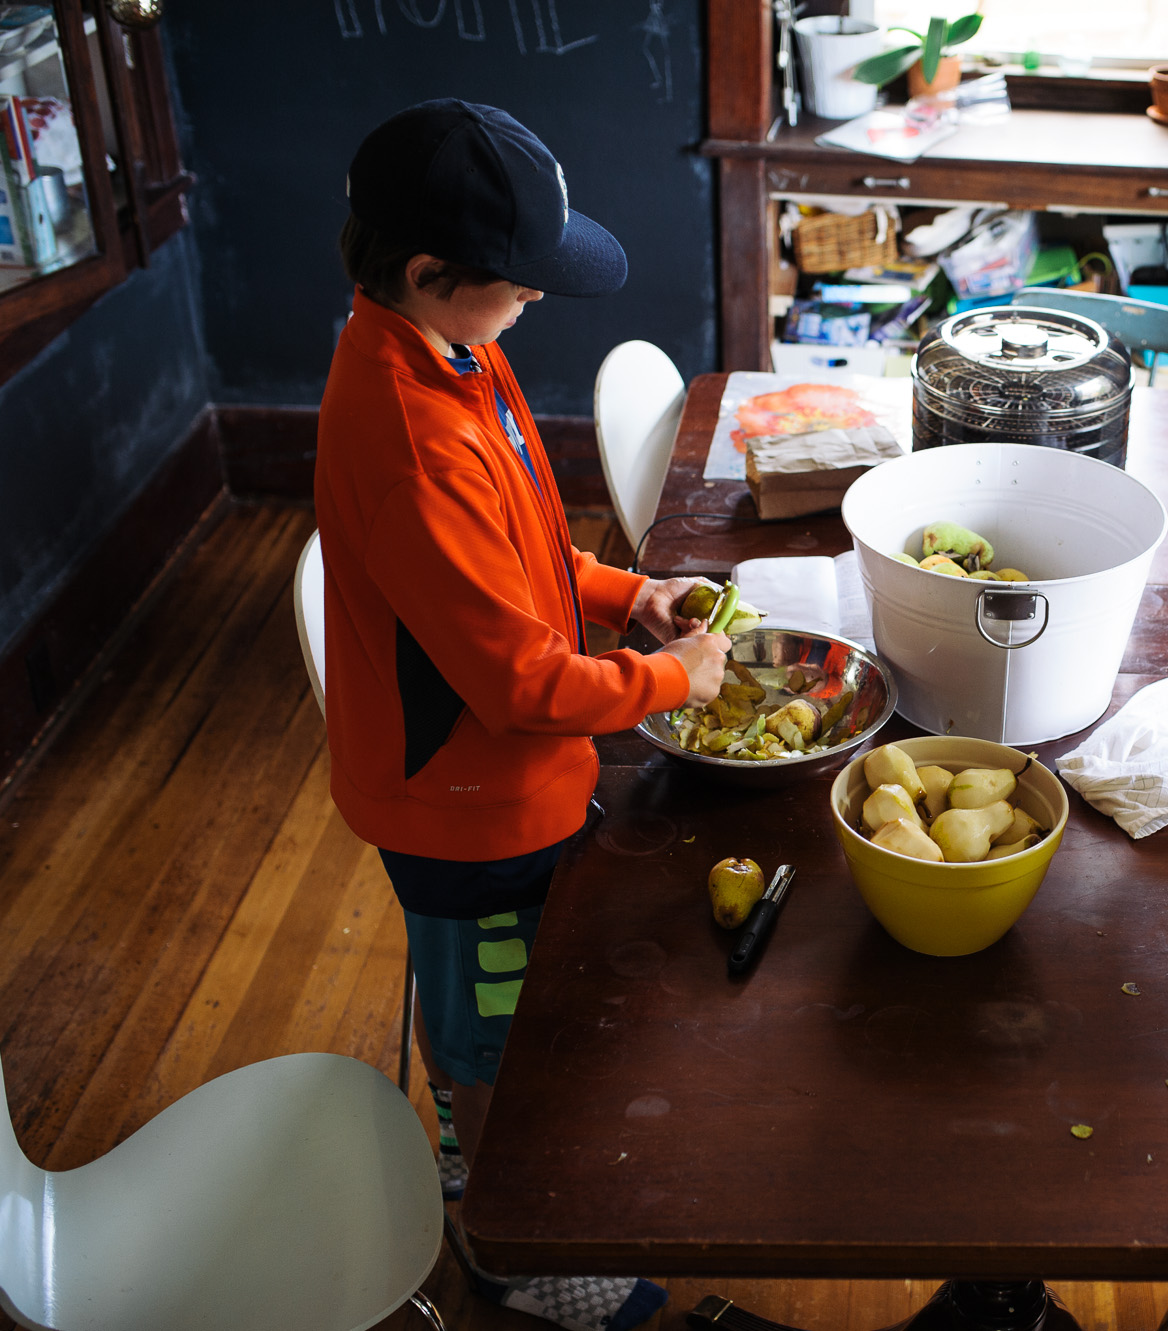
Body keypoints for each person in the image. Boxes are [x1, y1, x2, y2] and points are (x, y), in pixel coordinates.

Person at [316, 99, 728, 1330]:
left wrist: (627, 590)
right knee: (487, 1027)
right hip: (463, 804)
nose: (536, 300)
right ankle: (502, 1242)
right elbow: (518, 685)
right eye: (519, 281)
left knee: (500, 1002)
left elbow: (526, 554)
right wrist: (676, 679)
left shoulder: (452, 348)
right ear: (431, 273)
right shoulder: (407, 434)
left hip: (507, 779)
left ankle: (485, 1145)